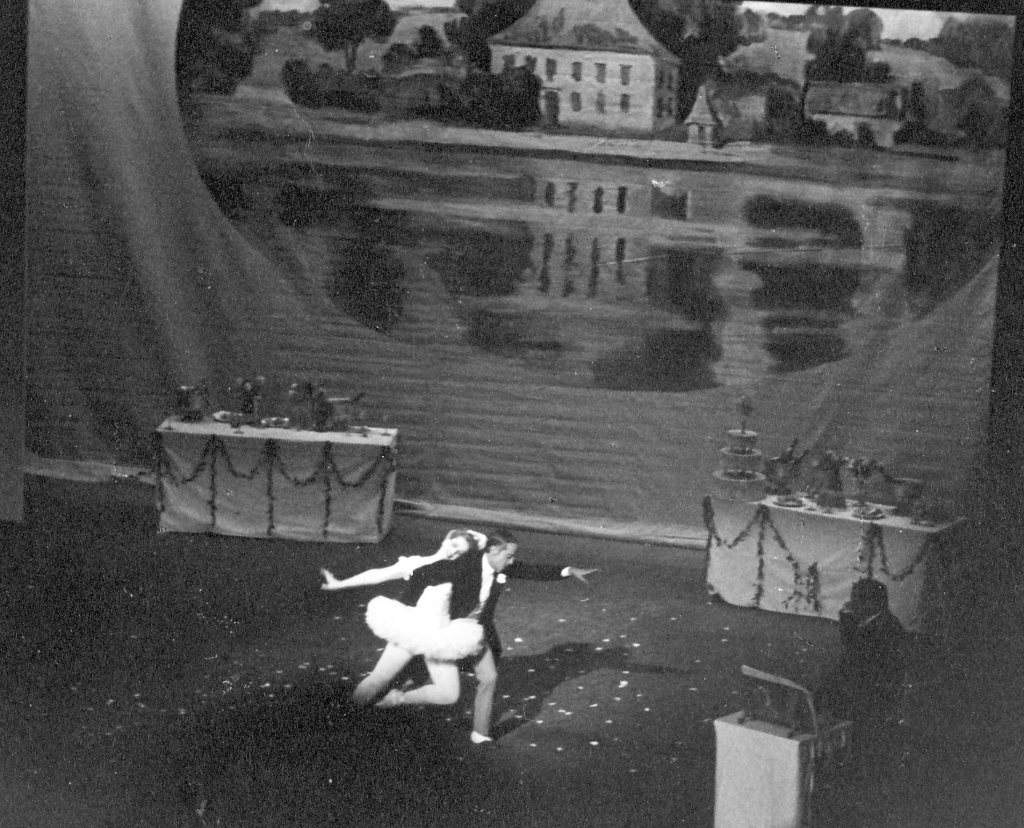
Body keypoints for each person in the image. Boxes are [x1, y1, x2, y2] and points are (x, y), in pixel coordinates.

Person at [329, 527, 596, 744]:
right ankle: (347, 718)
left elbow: (531, 570)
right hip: (428, 630)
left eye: (461, 547)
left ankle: (470, 729)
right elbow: (416, 575)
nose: (512, 562)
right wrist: (405, 612)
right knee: (385, 679)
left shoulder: (495, 565)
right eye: (508, 556)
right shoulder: (453, 566)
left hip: (458, 635)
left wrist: (568, 571)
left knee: (469, 685)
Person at [815, 578, 908, 745]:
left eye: (857, 600)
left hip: (874, 690)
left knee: (830, 697)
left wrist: (847, 621)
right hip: (859, 680)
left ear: (872, 603)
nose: (852, 604)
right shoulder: (870, 620)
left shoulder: (888, 627)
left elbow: (858, 654)